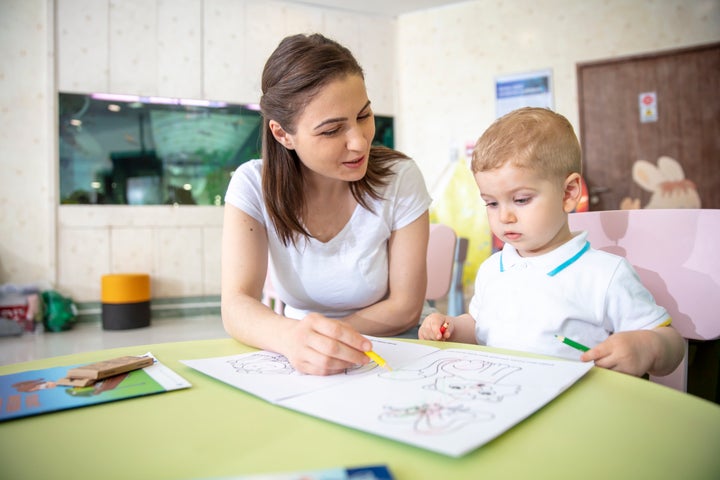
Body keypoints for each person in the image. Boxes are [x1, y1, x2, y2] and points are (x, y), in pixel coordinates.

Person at [419, 107, 684, 378]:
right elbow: (477, 327)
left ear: (568, 193)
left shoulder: (604, 274)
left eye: (521, 200)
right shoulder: (492, 269)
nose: (504, 216)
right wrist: (450, 327)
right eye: (491, 203)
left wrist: (648, 346)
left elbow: (672, 344)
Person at [222, 33, 431, 376]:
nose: (358, 142)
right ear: (282, 134)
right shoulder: (252, 185)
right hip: (293, 351)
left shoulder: (400, 177)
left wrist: (326, 340)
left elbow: (406, 308)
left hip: (388, 351)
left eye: (364, 115)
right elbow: (236, 305)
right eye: (332, 130)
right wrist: (293, 339)